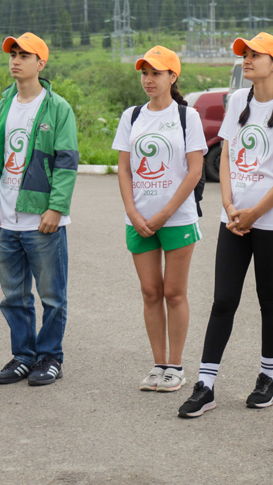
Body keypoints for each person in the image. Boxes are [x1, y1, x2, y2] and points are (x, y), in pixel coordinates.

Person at [178, 32, 273, 418]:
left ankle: (268, 379)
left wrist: (255, 212)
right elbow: (228, 157)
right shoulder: (237, 101)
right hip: (231, 221)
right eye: (245, 54)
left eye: (255, 55)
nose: (246, 60)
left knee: (270, 302)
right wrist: (230, 206)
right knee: (223, 301)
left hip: (270, 223)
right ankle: (206, 385)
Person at [0, 33, 79, 386]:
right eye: (12, 54)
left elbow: (66, 162)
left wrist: (56, 208)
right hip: (7, 217)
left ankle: (50, 357)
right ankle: (23, 356)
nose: (15, 60)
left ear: (40, 63)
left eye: (24, 55)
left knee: (52, 296)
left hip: (42, 218)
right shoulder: (5, 104)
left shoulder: (57, 108)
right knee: (14, 296)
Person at [112, 46, 207, 392]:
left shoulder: (187, 116)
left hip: (178, 218)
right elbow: (124, 169)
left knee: (174, 292)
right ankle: (158, 365)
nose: (148, 79)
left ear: (172, 76)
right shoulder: (132, 116)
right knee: (150, 292)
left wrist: (165, 213)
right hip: (138, 220)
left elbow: (195, 170)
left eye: (156, 73)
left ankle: (177, 367)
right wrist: (134, 213)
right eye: (145, 73)